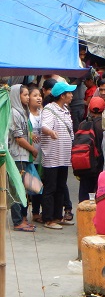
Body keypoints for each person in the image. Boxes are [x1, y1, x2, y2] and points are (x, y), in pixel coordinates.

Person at [40, 81, 75, 230]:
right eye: (69, 93)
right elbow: (44, 126)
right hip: (52, 156)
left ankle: (57, 216)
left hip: (63, 156)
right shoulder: (50, 109)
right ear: (62, 96)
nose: (72, 95)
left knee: (61, 186)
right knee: (51, 187)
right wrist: (51, 132)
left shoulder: (65, 110)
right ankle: (48, 218)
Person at [8, 84, 39, 232]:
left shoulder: (23, 112)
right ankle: (17, 221)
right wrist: (32, 149)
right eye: (25, 95)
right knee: (17, 189)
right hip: (18, 156)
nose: (27, 97)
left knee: (24, 189)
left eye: (28, 95)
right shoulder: (14, 113)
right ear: (17, 96)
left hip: (24, 157)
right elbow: (18, 138)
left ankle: (23, 218)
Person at [76, 96, 105, 203]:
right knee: (96, 195)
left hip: (84, 164)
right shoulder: (103, 126)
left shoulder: (82, 124)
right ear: (104, 108)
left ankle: (83, 211)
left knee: (84, 194)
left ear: (89, 108)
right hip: (98, 165)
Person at [28, 86, 43, 223]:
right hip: (29, 154)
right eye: (35, 95)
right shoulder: (26, 114)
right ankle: (27, 213)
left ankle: (36, 212)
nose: (38, 98)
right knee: (31, 183)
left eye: (40, 95)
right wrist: (29, 134)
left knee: (40, 183)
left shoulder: (43, 113)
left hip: (42, 155)